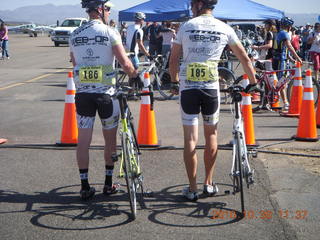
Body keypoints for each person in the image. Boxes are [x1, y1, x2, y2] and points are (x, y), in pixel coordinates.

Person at [169, 0, 257, 201]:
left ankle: (192, 188)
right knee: (211, 136)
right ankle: (208, 184)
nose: (191, 7)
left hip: (188, 87)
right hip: (210, 88)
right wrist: (253, 82)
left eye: (192, 4)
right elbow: (243, 56)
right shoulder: (224, 27)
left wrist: (174, 82)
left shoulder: (187, 26)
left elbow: (173, 60)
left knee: (190, 139)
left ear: (199, 4)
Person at [69, 0, 139, 200]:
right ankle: (108, 184)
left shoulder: (75, 34)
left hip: (83, 95)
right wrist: (135, 76)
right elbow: (125, 63)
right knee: (110, 141)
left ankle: (84, 186)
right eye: (107, 9)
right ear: (100, 10)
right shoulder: (110, 32)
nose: (108, 13)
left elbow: (75, 62)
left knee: (83, 141)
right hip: (106, 95)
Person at [272, 17, 302, 110]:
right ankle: (285, 102)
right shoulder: (285, 34)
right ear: (289, 26)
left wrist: (292, 59)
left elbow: (283, 49)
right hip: (281, 60)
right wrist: (298, 58)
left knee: (282, 81)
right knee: (282, 82)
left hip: (278, 59)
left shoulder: (279, 33)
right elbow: (289, 46)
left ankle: (281, 99)